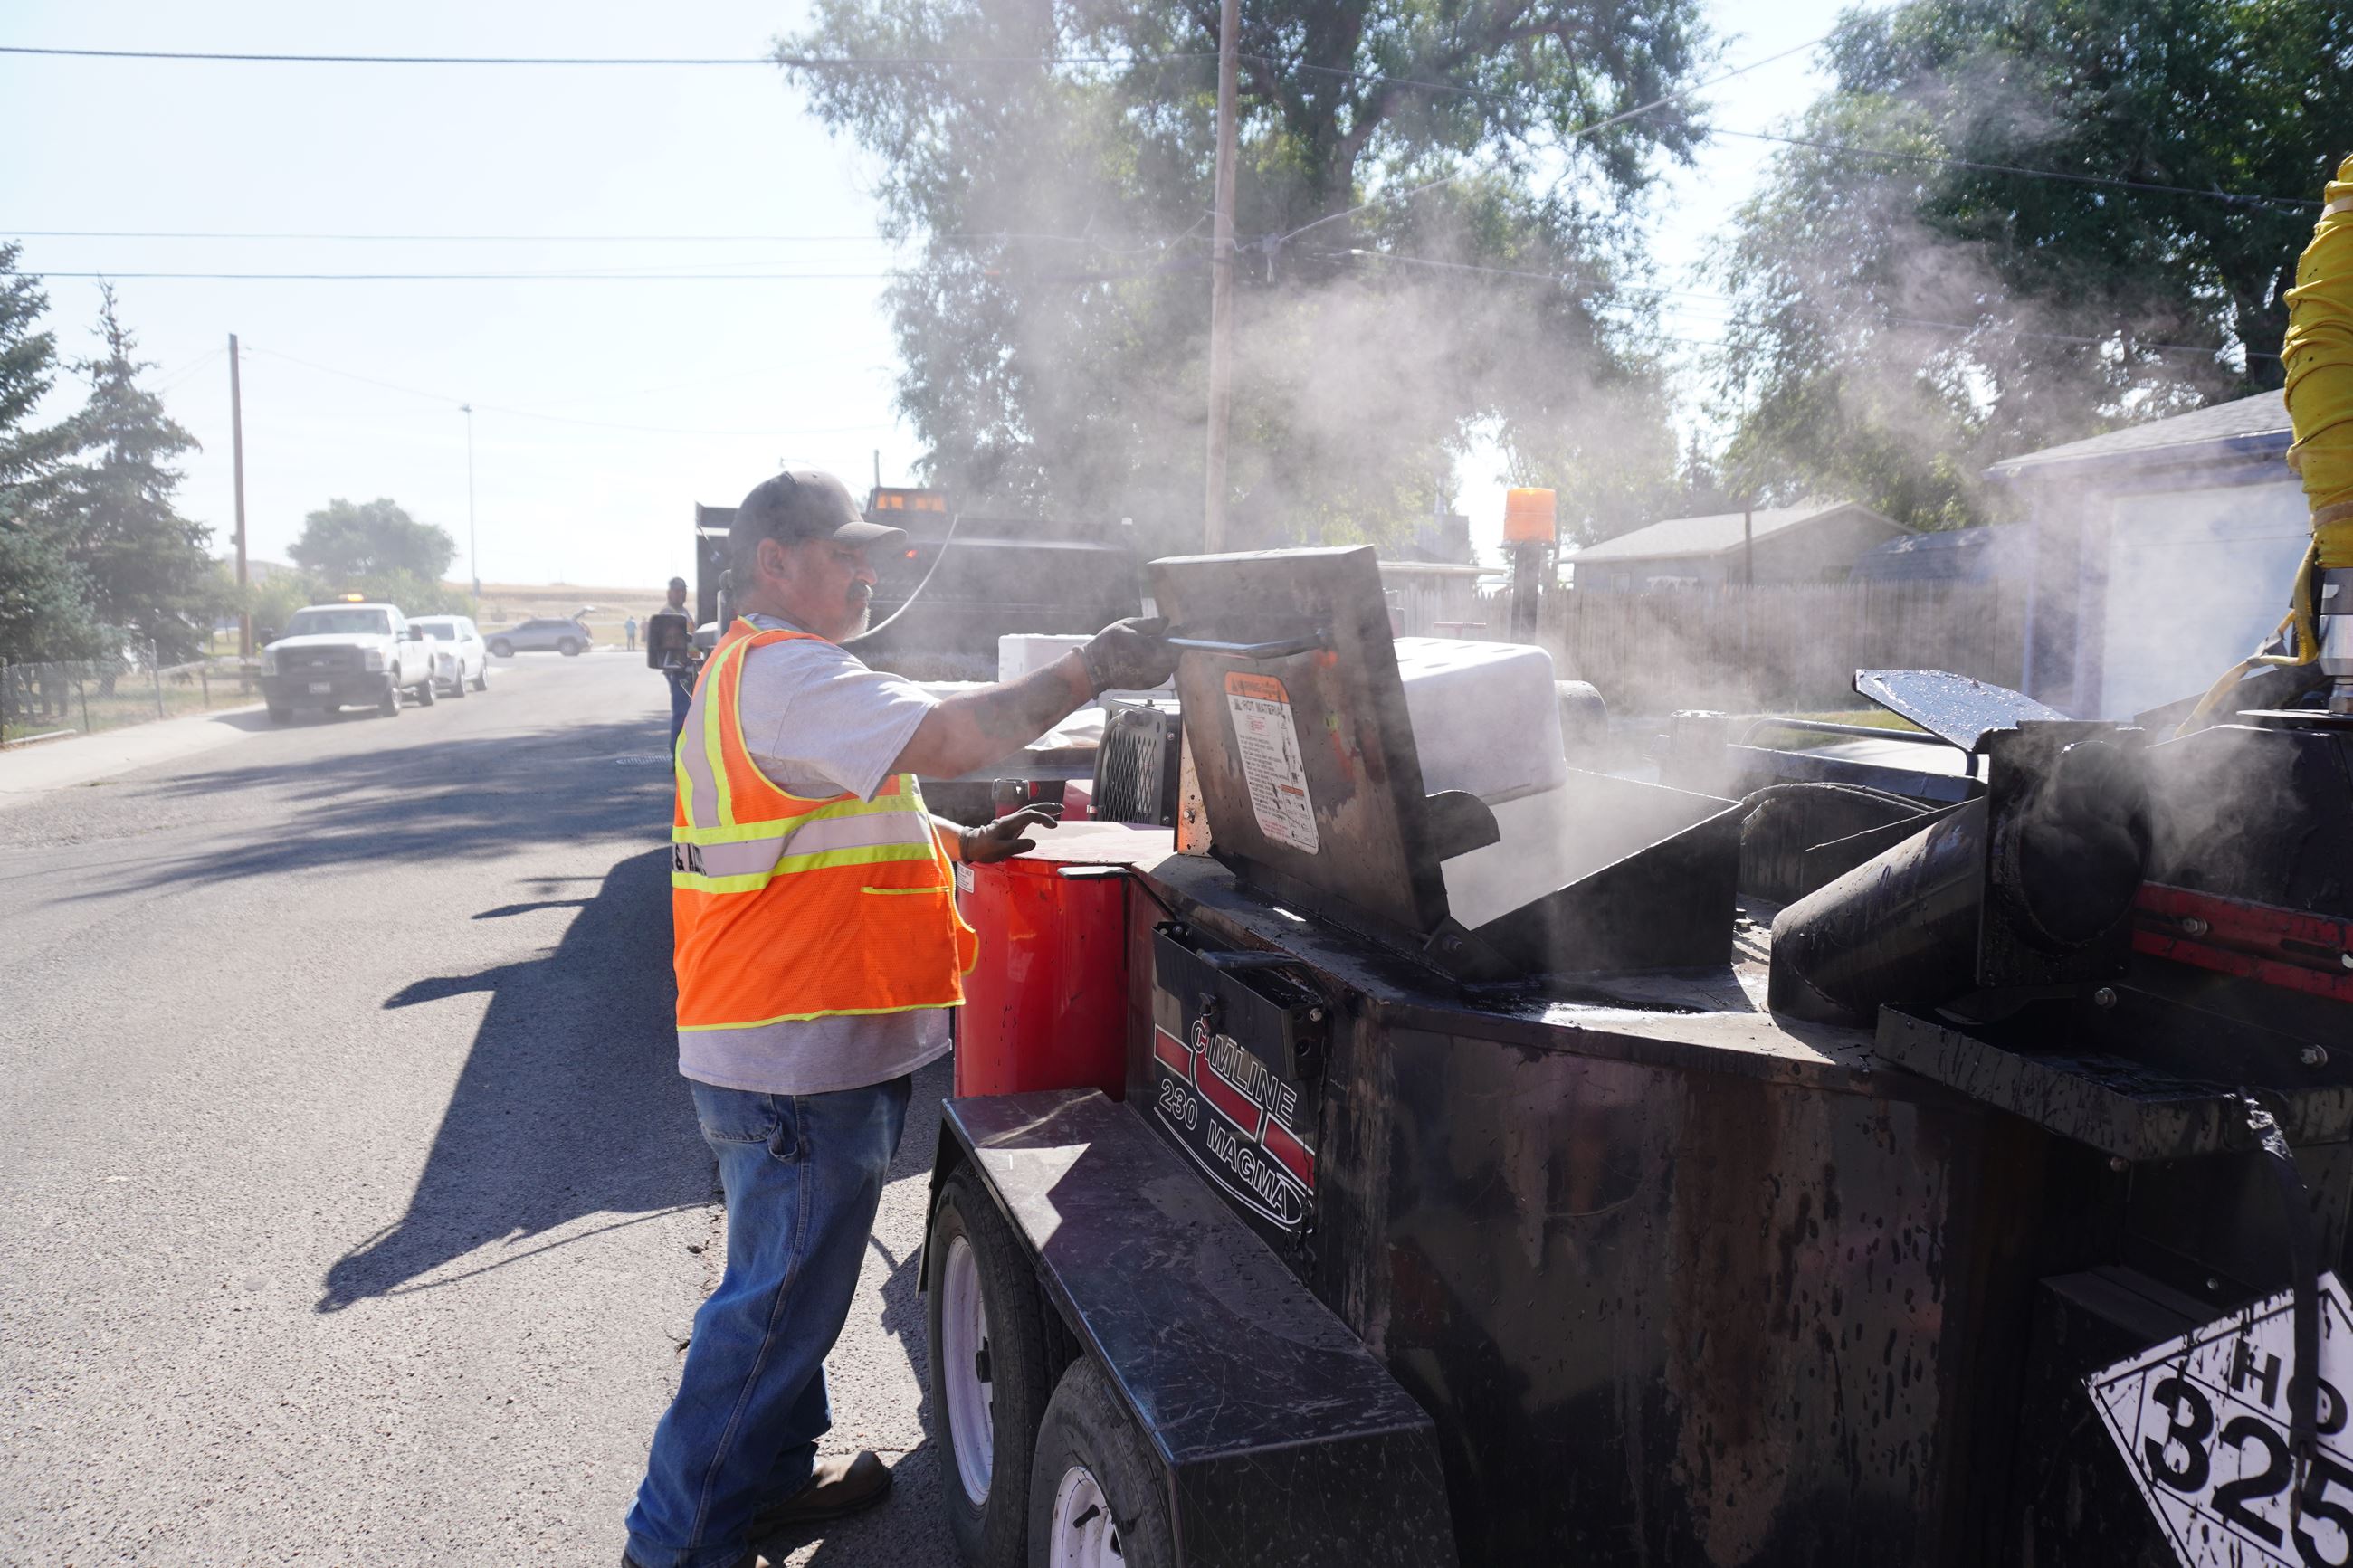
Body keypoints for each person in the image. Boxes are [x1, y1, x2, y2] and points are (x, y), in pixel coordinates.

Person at [623, 470, 1174, 1568]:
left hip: (784, 1044)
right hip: (795, 1056)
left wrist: (963, 849)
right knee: (769, 1313)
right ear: (775, 562)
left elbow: (840, 821)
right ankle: (673, 1543)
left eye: (872, 553)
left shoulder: (769, 676)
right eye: (845, 553)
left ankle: (770, 1481)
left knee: (789, 1291)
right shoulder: (787, 678)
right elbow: (950, 742)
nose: (870, 571)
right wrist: (1093, 667)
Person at [662, 578, 695, 755]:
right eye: (677, 590)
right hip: (677, 668)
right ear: (669, 593)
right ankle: (677, 757)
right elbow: (673, 639)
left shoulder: (683, 612)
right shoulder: (668, 613)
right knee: (681, 713)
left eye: (683, 590)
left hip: (687, 666)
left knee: (687, 713)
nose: (681, 594)